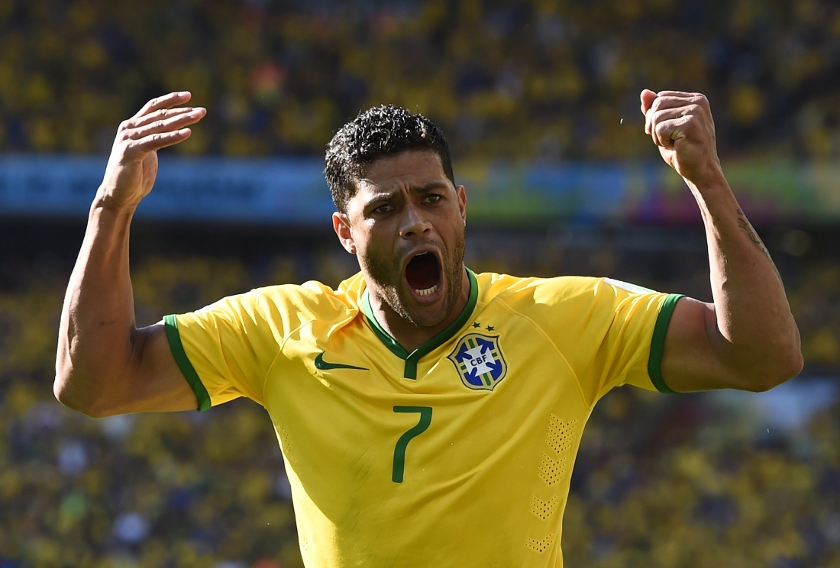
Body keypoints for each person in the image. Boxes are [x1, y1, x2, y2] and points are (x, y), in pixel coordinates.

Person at [55, 89, 802, 567]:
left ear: (462, 206)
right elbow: (93, 384)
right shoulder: (279, 326)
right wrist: (111, 210)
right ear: (346, 231)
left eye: (432, 198)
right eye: (386, 208)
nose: (416, 221)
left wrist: (707, 183)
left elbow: (764, 356)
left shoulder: (563, 318)